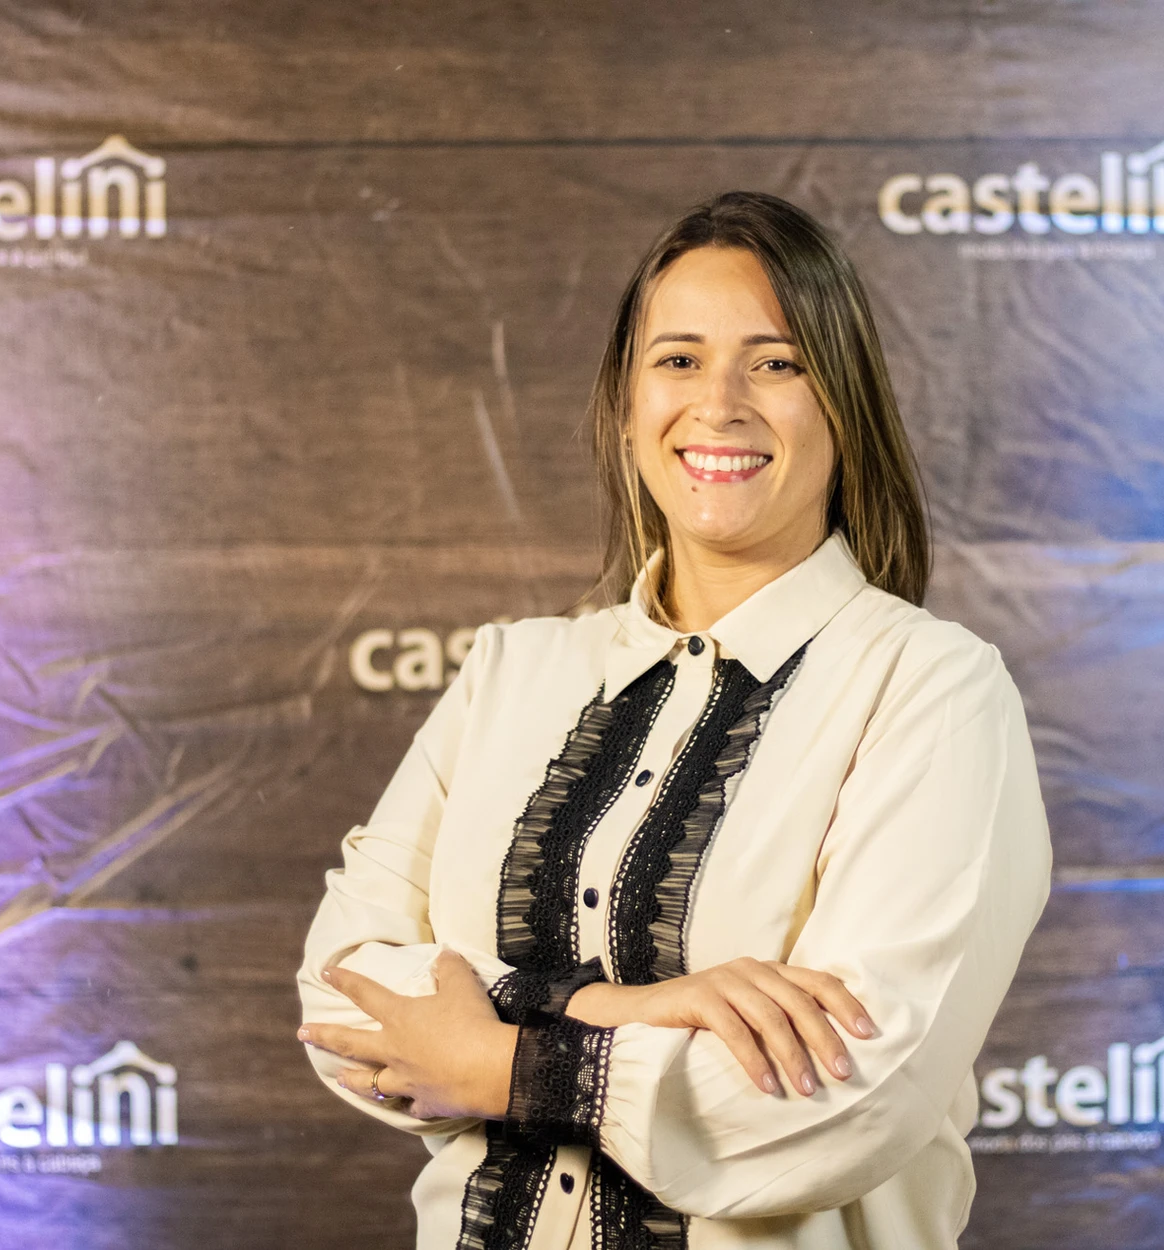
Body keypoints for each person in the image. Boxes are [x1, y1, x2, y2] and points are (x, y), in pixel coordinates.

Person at [296, 190, 1052, 1249]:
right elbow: (338, 990)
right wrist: (623, 1009)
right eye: (680, 359)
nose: (720, 404)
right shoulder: (514, 669)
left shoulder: (930, 687)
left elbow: (852, 1095)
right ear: (626, 406)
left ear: (845, 406)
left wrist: (499, 1061)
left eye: (776, 363)